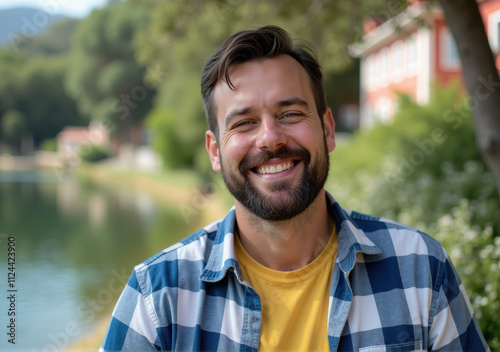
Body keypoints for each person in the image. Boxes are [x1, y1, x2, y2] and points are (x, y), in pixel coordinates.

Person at [100, 25, 489, 351]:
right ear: (215, 152)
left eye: (290, 114)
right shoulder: (157, 299)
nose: (269, 139)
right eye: (244, 122)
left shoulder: (421, 270)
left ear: (328, 129)